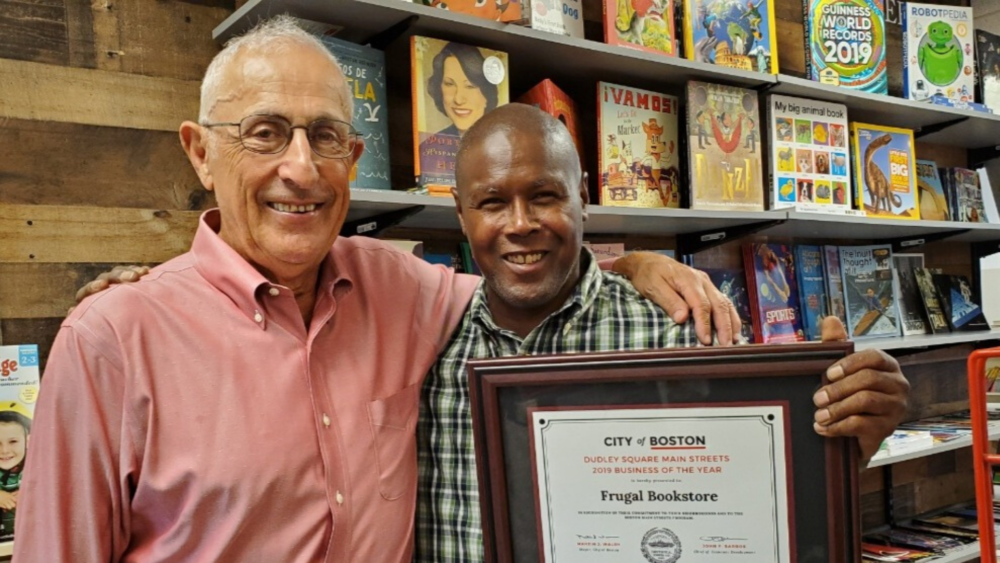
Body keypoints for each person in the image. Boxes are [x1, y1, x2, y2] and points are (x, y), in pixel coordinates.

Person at [18, 17, 742, 563]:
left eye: (326, 136)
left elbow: (526, 272)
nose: (300, 168)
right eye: (265, 132)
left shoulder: (397, 286)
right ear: (201, 152)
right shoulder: (111, 341)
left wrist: (640, 265)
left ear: (354, 159)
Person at [413, 104, 910, 562]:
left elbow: (763, 504)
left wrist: (843, 436)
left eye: (545, 196)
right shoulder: (420, 347)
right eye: (492, 202)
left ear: (582, 197)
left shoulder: (683, 332)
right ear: (460, 212)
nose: (520, 223)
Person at [0, 408, 29, 542]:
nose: (4, 450)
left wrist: (29, 493)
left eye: (13, 442)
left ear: (28, 441)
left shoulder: (35, 463)